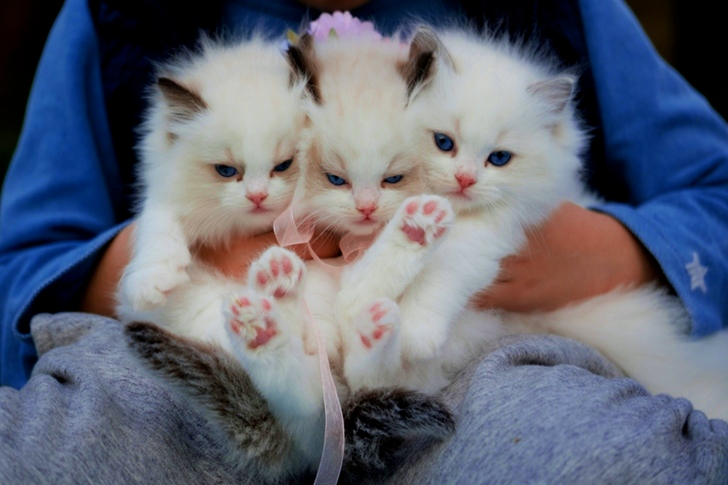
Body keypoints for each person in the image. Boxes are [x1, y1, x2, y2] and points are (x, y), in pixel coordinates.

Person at [1, 0, 727, 483]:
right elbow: (22, 261)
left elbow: (714, 187)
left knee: (617, 455)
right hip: (196, 366)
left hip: (474, 365)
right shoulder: (116, 13)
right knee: (50, 451)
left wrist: (601, 251)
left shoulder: (559, 10)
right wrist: (200, 247)